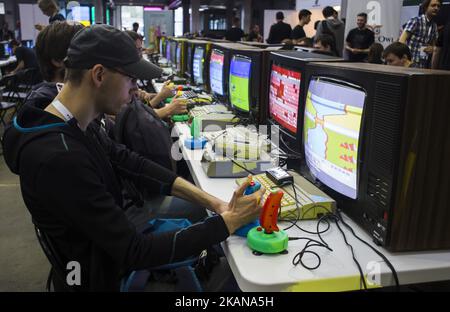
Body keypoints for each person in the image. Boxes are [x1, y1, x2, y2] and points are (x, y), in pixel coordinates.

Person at [2, 24, 264, 292]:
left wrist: (214, 202)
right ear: (99, 75)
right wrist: (226, 223)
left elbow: (130, 162)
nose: (135, 89)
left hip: (104, 257)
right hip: (100, 279)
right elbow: (134, 251)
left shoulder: (75, 124)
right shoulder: (60, 157)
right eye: (131, 78)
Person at [399, 0, 442, 68]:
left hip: (423, 65)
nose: (436, 8)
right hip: (410, 64)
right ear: (425, 7)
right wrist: (406, 60)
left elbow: (435, 46)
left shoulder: (434, 26)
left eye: (438, 6)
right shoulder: (415, 20)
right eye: (433, 5)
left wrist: (432, 48)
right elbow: (401, 41)